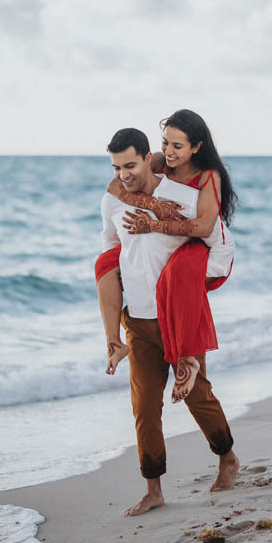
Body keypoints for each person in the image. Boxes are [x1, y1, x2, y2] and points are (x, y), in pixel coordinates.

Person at [96, 126, 238, 516]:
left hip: (177, 317)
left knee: (198, 396)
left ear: (148, 158)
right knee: (144, 406)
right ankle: (153, 488)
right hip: (138, 322)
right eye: (116, 167)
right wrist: (113, 327)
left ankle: (227, 458)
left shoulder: (183, 197)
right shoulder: (111, 202)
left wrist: (191, 285)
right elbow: (110, 250)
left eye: (130, 165)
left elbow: (217, 242)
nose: (123, 174)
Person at [101, 109, 236, 404]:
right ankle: (113, 341)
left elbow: (204, 227)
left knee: (174, 276)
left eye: (177, 146)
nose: (168, 152)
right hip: (175, 235)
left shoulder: (208, 177)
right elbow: (115, 187)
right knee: (105, 263)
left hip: (205, 245)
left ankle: (187, 358)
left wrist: (153, 224)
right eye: (165, 143)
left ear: (197, 147)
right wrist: (155, 205)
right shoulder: (159, 161)